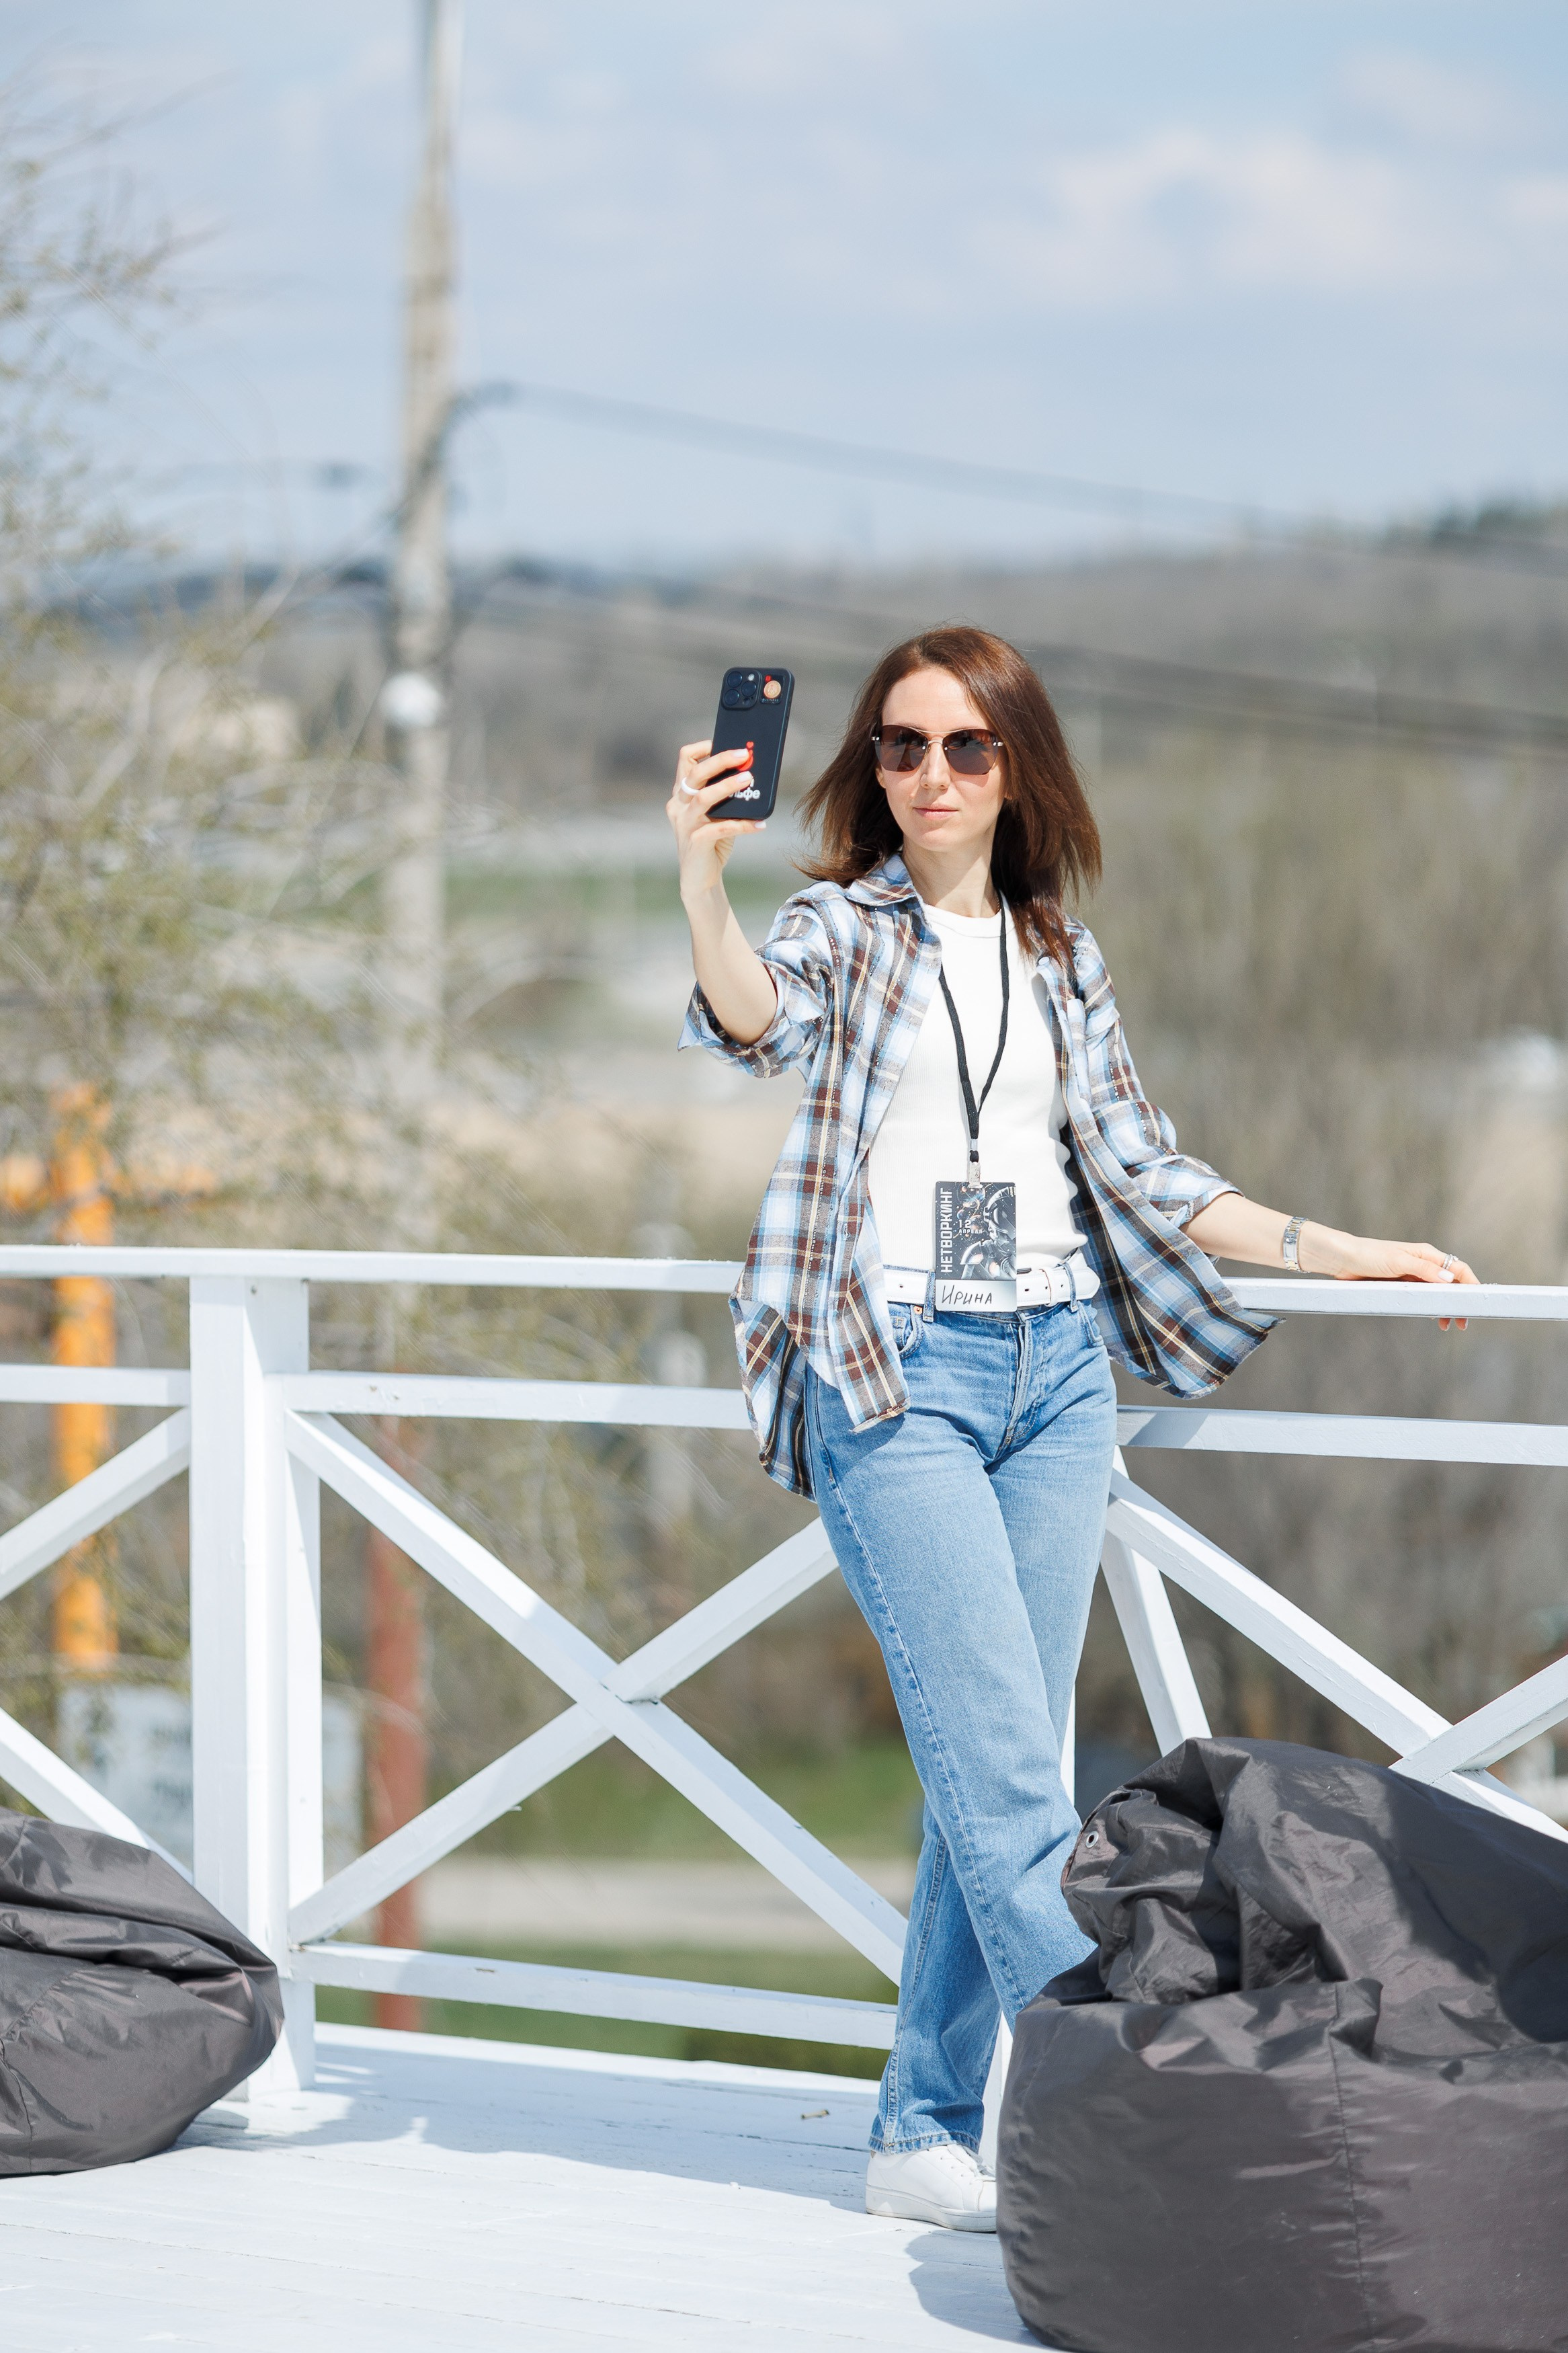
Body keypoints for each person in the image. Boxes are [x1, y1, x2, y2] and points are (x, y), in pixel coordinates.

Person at [666, 624, 1477, 2235]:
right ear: (869, 766)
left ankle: (924, 2120)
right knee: (1011, 1790)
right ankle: (1156, 2121)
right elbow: (759, 1020)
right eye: (901, 746)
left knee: (1008, 1766)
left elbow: (1150, 1172)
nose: (932, 776)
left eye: (968, 748)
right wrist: (701, 879)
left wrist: (1339, 1245)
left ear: (1018, 764)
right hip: (890, 1369)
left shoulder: (1057, 952)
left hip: (1054, 1371)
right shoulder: (844, 923)